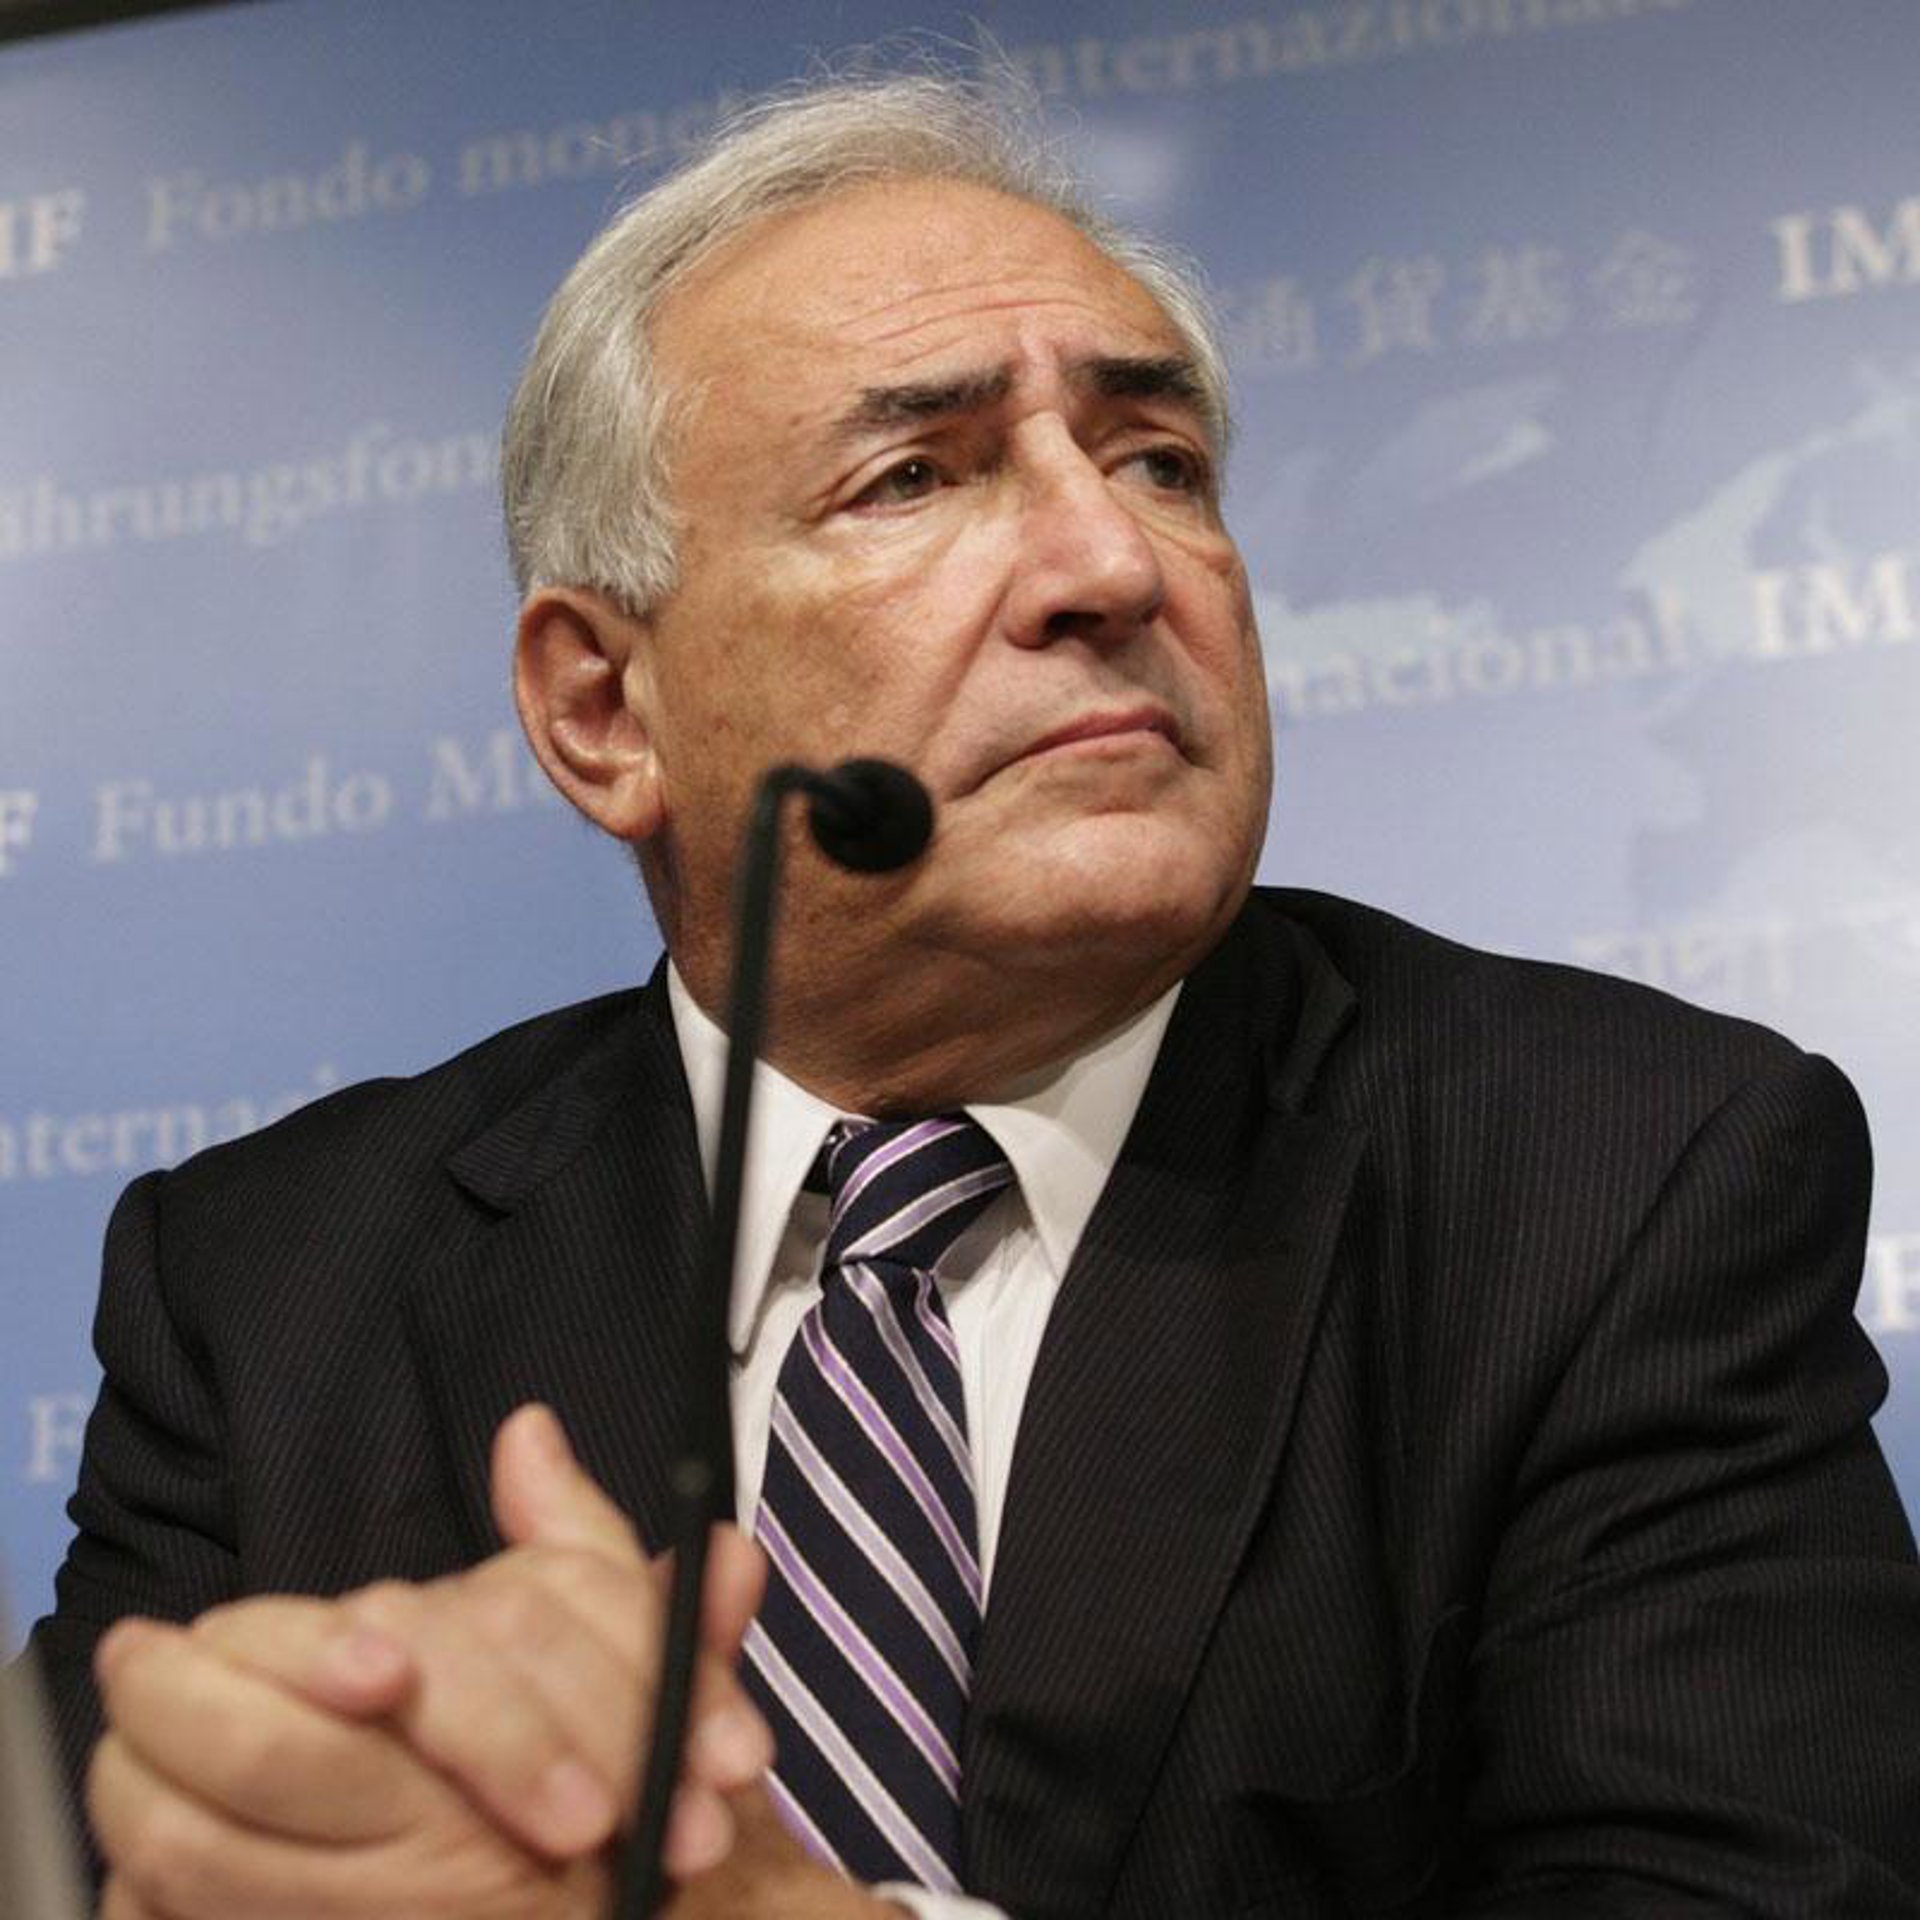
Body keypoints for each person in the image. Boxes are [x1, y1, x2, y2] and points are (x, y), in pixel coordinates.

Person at [26, 69, 1920, 1920]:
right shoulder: (272, 1284)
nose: (1110, 564)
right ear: (604, 710)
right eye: (913, 478)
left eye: (1159, 461)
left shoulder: (1617, 1176)